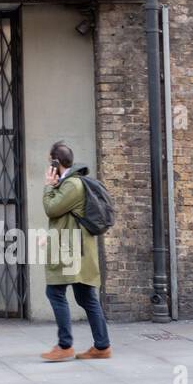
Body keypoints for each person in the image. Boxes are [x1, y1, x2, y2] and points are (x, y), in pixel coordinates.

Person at [40, 142, 112, 362]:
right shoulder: (69, 183)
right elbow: (63, 217)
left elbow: (51, 209)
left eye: (49, 160)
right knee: (86, 297)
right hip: (76, 248)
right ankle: (102, 346)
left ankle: (65, 345)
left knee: (55, 293)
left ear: (55, 161)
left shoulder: (72, 185)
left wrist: (48, 186)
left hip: (71, 251)